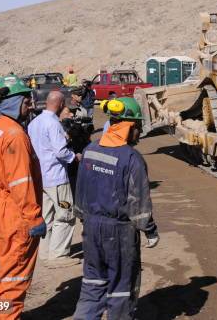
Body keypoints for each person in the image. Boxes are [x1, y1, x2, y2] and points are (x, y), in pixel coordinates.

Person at [73, 97, 158, 320]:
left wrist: (84, 218)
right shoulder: (131, 158)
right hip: (119, 232)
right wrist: (149, 230)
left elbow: (80, 190)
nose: (139, 133)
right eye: (138, 127)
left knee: (92, 285)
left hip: (91, 228)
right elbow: (138, 202)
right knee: (121, 288)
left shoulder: (90, 150)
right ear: (129, 127)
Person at [0, 74, 46, 320]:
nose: (30, 106)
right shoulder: (15, 135)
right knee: (16, 271)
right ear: (12, 102)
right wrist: (34, 218)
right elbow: (22, 182)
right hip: (15, 211)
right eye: (26, 102)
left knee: (7, 265)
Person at [28, 91, 81, 266]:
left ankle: (45, 252)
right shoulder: (53, 124)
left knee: (47, 216)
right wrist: (74, 157)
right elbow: (60, 151)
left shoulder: (34, 123)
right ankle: (58, 255)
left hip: (41, 177)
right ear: (59, 104)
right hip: (56, 177)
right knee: (65, 215)